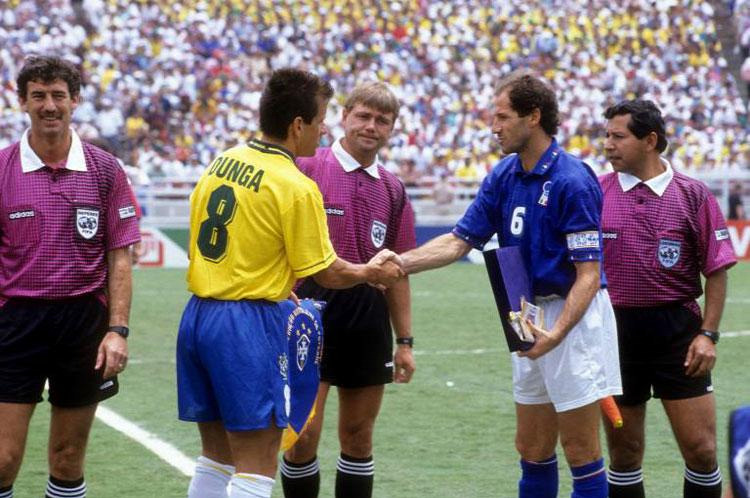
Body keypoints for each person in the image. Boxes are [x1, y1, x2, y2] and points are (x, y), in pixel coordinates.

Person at [175, 68, 404, 498]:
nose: (323, 131)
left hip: (198, 316)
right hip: (247, 323)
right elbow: (327, 272)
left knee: (216, 456)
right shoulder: (295, 184)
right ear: (298, 125)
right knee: (257, 464)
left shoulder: (223, 161)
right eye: (320, 121)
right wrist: (369, 273)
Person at [398, 71, 622, 497]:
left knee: (580, 449)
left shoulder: (573, 179)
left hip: (571, 319)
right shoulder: (504, 174)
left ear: (533, 116)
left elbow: (589, 275)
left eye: (502, 117)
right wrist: (399, 264)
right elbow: (459, 240)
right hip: (525, 313)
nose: (493, 127)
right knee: (532, 447)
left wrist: (557, 333)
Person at [0, 56, 140, 498]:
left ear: (74, 100)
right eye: (38, 95)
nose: (49, 105)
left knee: (67, 456)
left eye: (58, 95)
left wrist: (117, 330)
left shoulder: (105, 169)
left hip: (83, 324)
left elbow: (120, 257)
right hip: (14, 322)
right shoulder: (2, 169)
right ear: (22, 101)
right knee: (2, 459)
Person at [280, 82, 417, 498]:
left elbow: (399, 272)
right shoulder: (306, 167)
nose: (371, 126)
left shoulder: (392, 189)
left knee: (358, 436)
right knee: (302, 435)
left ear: (392, 129)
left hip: (367, 318)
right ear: (344, 117)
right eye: (363, 116)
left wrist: (405, 341)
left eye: (382, 120)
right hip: (308, 312)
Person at [600, 99, 737, 498]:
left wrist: (708, 334)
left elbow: (716, 269)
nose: (608, 144)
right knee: (624, 453)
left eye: (618, 136)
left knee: (702, 451)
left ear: (650, 140)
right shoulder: (596, 191)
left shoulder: (693, 194)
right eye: (606, 135)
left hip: (678, 333)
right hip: (614, 332)